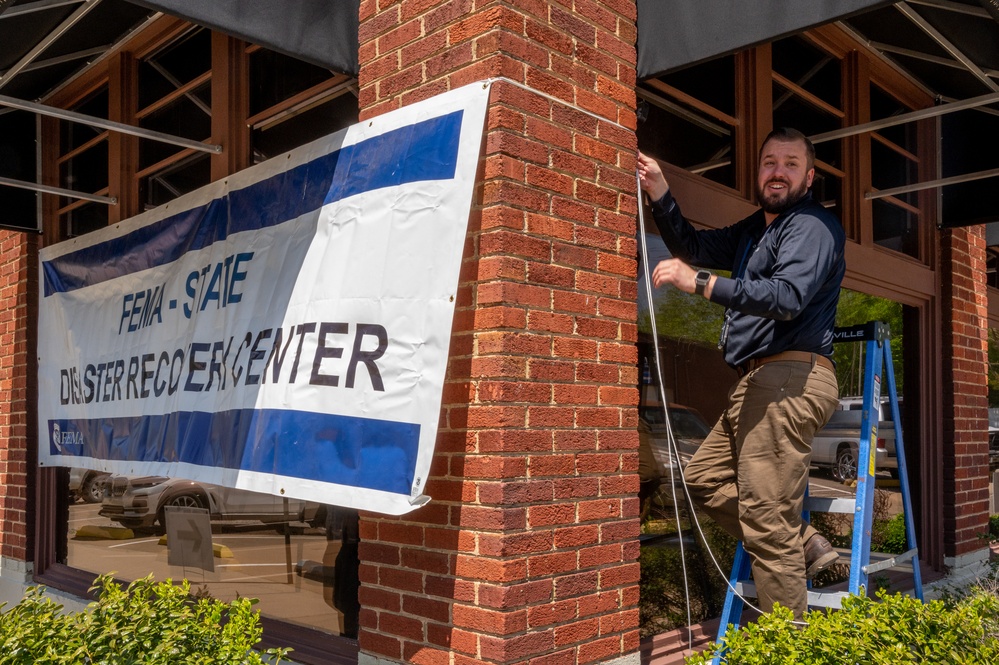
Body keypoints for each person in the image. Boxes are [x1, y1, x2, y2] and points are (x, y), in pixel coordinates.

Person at [636, 128, 844, 619]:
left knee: (767, 521)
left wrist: (700, 283)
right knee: (704, 479)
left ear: (809, 177)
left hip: (790, 379)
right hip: (757, 382)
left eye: (791, 163)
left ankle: (788, 648)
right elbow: (690, 244)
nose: (778, 171)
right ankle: (806, 540)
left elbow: (786, 298)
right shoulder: (756, 231)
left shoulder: (812, 226)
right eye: (770, 161)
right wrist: (661, 190)